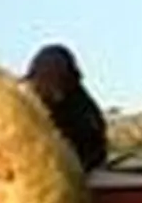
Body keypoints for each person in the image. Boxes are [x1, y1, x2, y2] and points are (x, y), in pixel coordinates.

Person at [22, 43, 109, 172]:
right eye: (41, 76)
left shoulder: (83, 114)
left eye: (50, 75)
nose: (41, 83)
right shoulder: (22, 110)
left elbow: (93, 154)